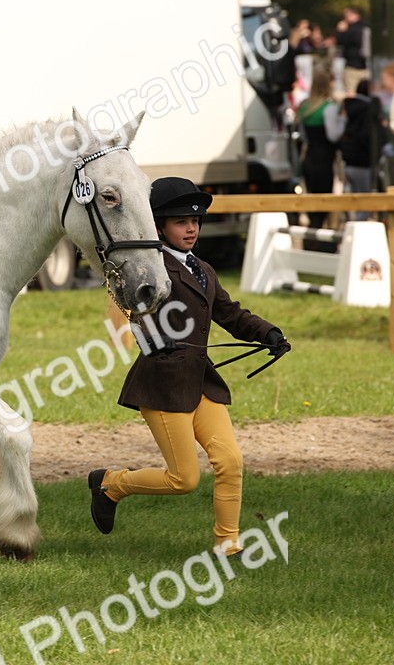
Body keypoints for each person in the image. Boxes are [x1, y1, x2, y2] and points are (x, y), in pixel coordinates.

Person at [87, 177, 290, 556]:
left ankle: (227, 546)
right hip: (163, 385)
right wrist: (154, 340)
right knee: (183, 479)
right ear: (159, 225)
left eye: (196, 222)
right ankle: (110, 484)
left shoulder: (203, 270)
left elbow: (230, 314)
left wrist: (270, 334)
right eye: (181, 222)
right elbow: (135, 312)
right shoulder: (150, 267)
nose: (192, 228)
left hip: (200, 382)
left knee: (230, 461)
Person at [297, 68, 344, 239]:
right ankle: (322, 242)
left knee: (312, 200)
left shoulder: (305, 107)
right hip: (325, 159)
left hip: (309, 157)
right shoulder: (329, 108)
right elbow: (333, 136)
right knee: (324, 201)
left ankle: (311, 240)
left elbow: (303, 135)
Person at [340, 79, 382, 219]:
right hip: (363, 162)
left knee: (356, 202)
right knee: (364, 203)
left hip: (349, 161)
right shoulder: (368, 110)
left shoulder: (350, 107)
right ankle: (359, 233)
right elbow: (366, 136)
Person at [335, 6, 370, 95]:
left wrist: (340, 31)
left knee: (351, 93)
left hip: (352, 66)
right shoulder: (367, 27)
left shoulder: (350, 30)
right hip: (367, 66)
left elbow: (340, 42)